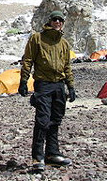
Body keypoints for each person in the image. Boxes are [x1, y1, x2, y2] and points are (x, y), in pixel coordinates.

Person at [19, 10, 75, 172]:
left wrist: (70, 86)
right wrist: (24, 80)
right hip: (43, 84)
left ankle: (52, 154)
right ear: (49, 21)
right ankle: (37, 157)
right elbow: (28, 60)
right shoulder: (37, 38)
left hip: (59, 85)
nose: (58, 22)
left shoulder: (64, 43)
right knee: (43, 120)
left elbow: (67, 67)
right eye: (55, 19)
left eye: (60, 20)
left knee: (56, 119)